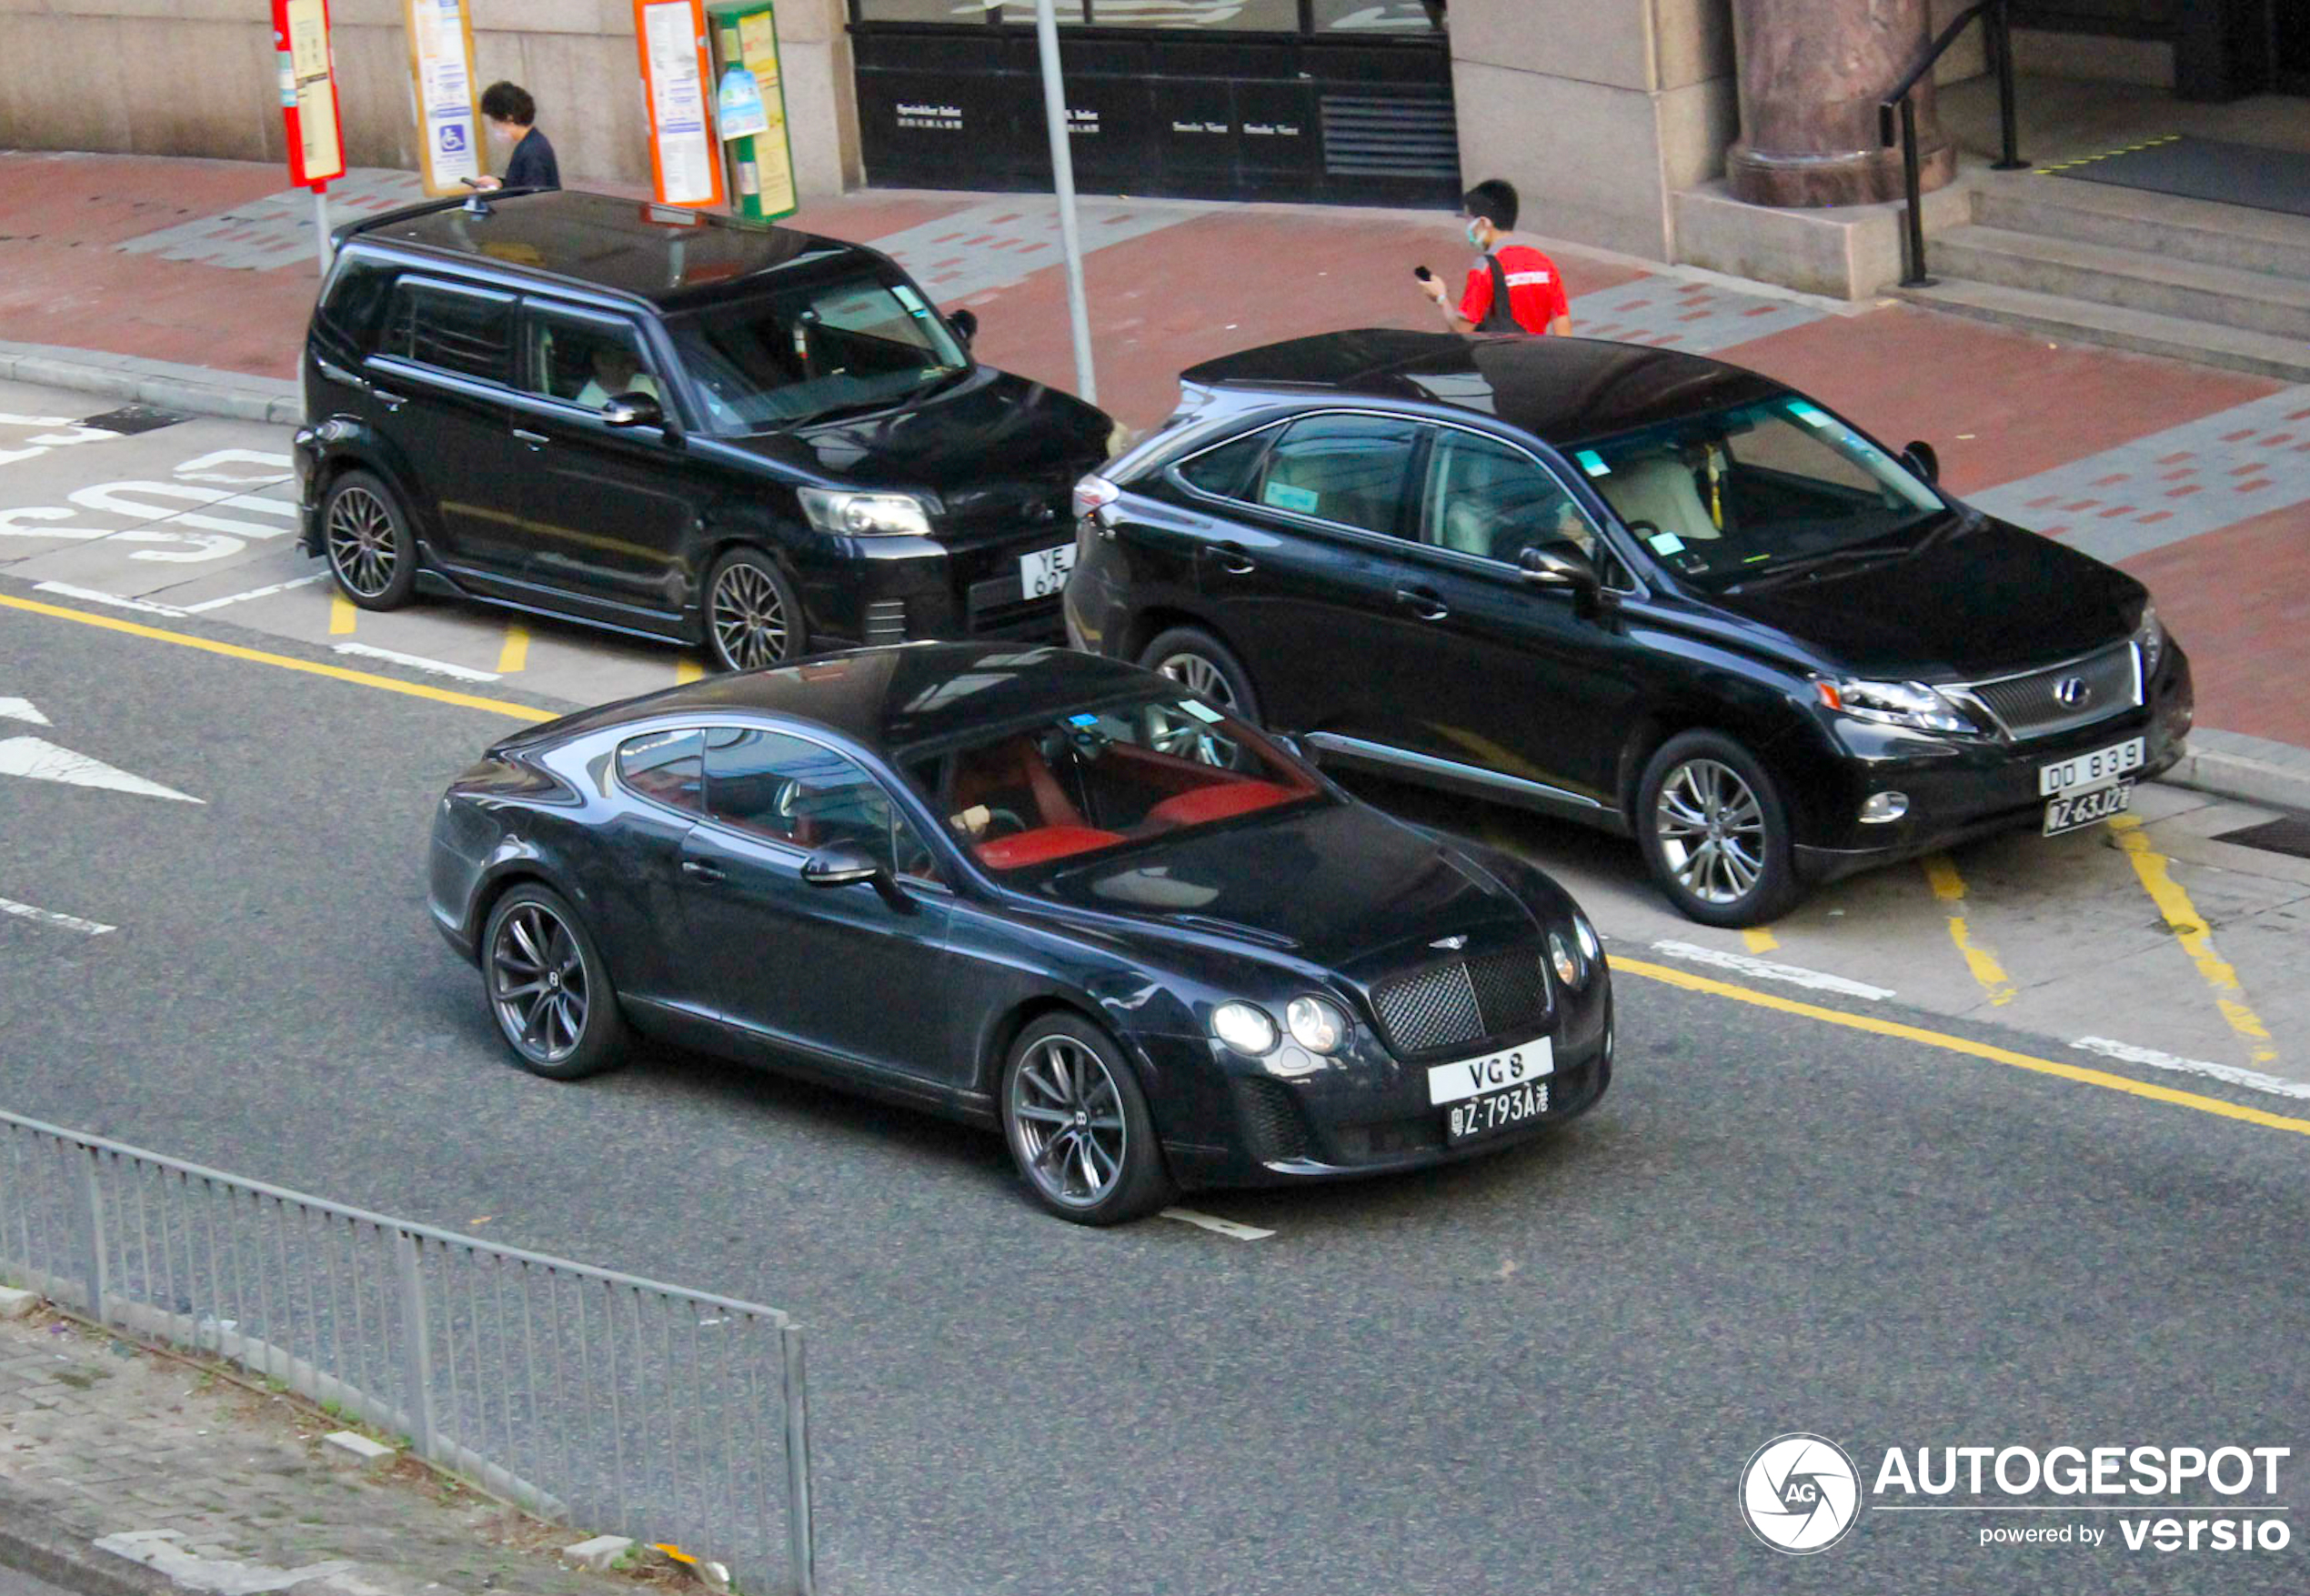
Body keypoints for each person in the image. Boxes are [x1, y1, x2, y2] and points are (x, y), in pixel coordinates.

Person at [1419, 178, 1571, 336]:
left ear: (1484, 223)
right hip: (1536, 357)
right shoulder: (1545, 263)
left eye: (1469, 220)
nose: (1468, 227)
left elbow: (1462, 330)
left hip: (1501, 358)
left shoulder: (1484, 268)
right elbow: (1563, 328)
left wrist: (1441, 298)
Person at [471, 81, 559, 192]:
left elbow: (534, 199)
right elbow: (520, 187)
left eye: (494, 121)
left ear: (509, 118)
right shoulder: (530, 143)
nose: (494, 126)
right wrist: (499, 184)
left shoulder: (532, 150)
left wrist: (497, 194)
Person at [575, 343, 659, 410]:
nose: (630, 370)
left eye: (632, 363)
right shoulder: (587, 402)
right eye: (623, 365)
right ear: (603, 365)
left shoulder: (646, 381)